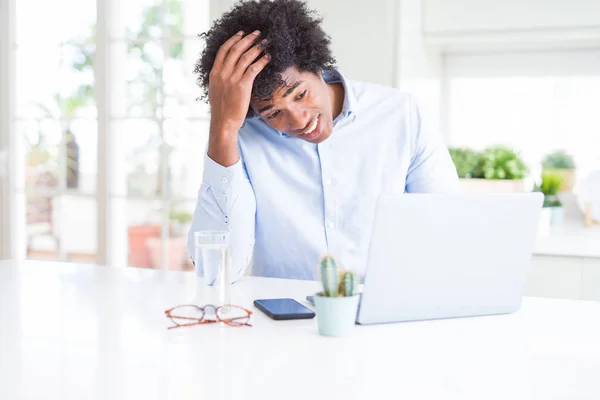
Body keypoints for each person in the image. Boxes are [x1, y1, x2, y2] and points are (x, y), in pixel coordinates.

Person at [189, 0, 458, 281]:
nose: (298, 120)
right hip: (282, 319)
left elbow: (445, 230)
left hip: (385, 311)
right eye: (273, 113)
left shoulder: (402, 114)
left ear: (316, 67)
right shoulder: (240, 139)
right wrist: (223, 128)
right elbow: (216, 272)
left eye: (300, 94)